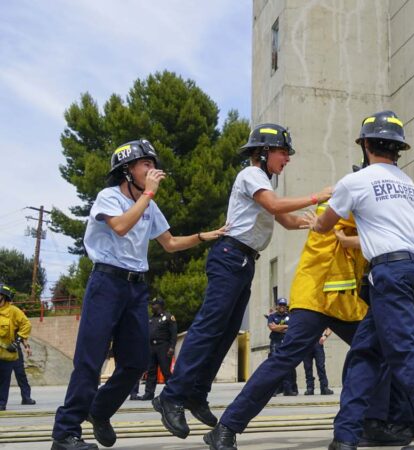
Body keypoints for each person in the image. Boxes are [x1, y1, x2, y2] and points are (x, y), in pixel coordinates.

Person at [154, 124, 329, 440]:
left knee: (224, 334)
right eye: (282, 153)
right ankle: (172, 396)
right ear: (263, 152)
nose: (286, 160)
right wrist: (318, 196)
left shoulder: (263, 182)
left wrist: (316, 222)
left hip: (244, 260)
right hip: (229, 255)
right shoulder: (251, 176)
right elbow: (276, 207)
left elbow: (287, 221)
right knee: (209, 326)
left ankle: (197, 394)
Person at [51, 139, 226, 450]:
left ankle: (100, 410)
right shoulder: (110, 197)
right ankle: (65, 432)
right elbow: (119, 226)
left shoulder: (149, 205)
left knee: (135, 362)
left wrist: (203, 236)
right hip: (106, 282)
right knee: (90, 361)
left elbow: (169, 243)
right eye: (146, 164)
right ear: (127, 170)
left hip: (135, 287)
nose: (153, 169)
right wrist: (148, 194)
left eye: (153, 164)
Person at [310, 111, 414, 450]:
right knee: (365, 352)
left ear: (365, 145)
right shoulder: (407, 184)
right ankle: (346, 436)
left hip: (389, 274)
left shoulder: (356, 181)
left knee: (407, 352)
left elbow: (324, 225)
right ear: (398, 149)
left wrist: (320, 223)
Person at [202, 200, 371, 450]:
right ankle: (226, 427)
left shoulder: (359, 214)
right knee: (283, 360)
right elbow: (375, 226)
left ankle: (370, 425)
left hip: (347, 303)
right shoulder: (334, 209)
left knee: (377, 353)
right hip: (314, 299)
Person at [131, 298, 177, 401]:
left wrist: (172, 347)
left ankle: (172, 393)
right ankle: (149, 393)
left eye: (154, 305)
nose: (152, 307)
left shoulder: (169, 317)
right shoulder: (151, 319)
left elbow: (174, 334)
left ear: (160, 305)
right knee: (151, 371)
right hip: (151, 347)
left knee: (165, 371)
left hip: (164, 347)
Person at [0, 283, 32, 412]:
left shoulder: (13, 311)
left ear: (3, 296)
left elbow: (26, 325)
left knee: (12, 377)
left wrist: (19, 341)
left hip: (9, 351)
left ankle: (3, 403)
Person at [267, 298, 298, 396]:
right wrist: (285, 327)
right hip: (275, 342)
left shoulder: (290, 316)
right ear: (277, 306)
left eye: (284, 305)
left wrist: (278, 327)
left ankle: (288, 389)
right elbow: (272, 327)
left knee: (288, 366)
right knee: (275, 366)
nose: (282, 307)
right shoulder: (272, 316)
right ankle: (274, 390)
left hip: (287, 342)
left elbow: (292, 327)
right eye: (280, 305)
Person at [303, 329, 334, 395]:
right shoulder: (303, 318)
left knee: (321, 366)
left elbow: (330, 327)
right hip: (306, 343)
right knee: (307, 367)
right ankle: (310, 388)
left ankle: (324, 388)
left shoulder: (319, 318)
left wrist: (325, 336)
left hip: (317, 343)